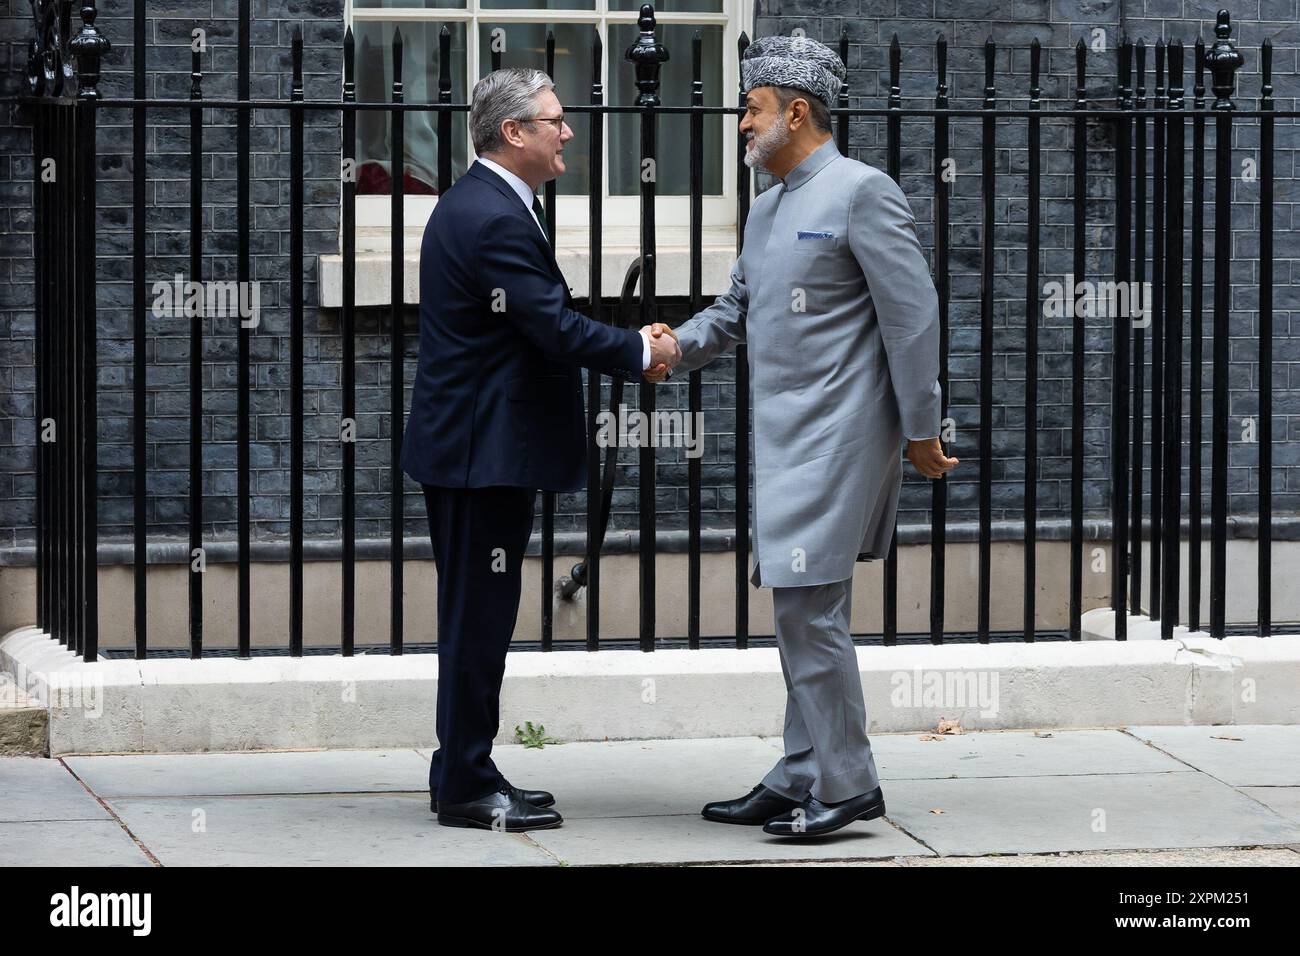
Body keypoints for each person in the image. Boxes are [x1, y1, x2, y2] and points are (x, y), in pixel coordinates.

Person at [646, 35, 958, 837]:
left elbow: (913, 317)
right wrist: (672, 346)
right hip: (786, 438)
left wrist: (922, 429)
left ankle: (848, 784)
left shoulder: (863, 191)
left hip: (844, 436)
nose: (742, 126)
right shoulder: (767, 206)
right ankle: (801, 771)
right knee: (803, 607)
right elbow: (735, 312)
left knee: (806, 609)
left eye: (750, 110)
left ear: (795, 111)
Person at [401, 68, 681, 832]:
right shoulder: (491, 216)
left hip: (476, 450)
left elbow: (538, 318)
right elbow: (552, 326)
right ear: (513, 132)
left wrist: (628, 342)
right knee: (478, 621)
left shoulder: (489, 204)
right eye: (553, 120)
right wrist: (636, 348)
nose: (567, 132)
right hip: (479, 455)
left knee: (477, 616)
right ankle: (464, 782)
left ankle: (463, 767)